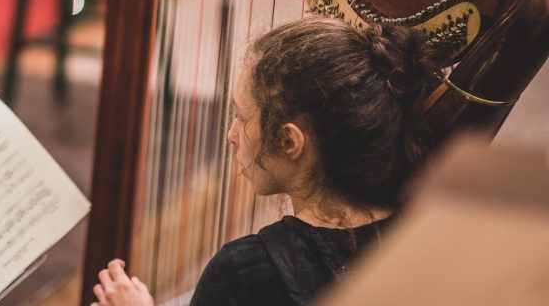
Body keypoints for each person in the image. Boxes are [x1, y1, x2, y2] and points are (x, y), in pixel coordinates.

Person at [91, 17, 444, 306]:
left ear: (290, 141)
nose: (231, 134)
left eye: (242, 118)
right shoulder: (424, 235)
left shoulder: (245, 272)